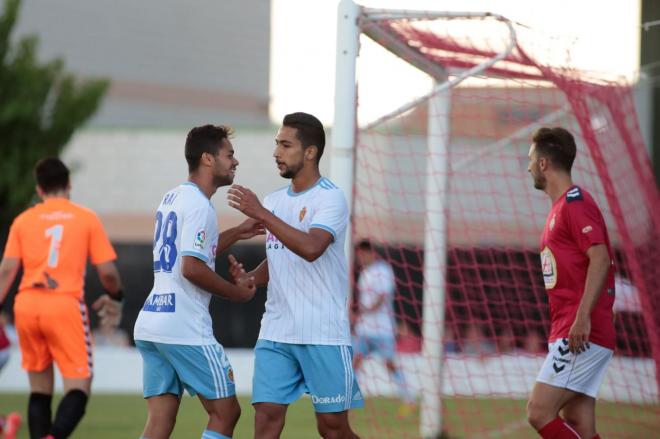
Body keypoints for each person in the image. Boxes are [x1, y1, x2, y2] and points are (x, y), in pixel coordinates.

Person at [227, 112, 363, 438]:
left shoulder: (331, 197)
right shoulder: (274, 201)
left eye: (286, 145)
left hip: (323, 333)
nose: (276, 152)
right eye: (277, 144)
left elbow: (312, 248)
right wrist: (251, 279)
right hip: (276, 331)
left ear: (310, 152)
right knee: (266, 420)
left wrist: (260, 213)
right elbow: (278, 260)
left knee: (332, 429)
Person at [133, 124, 262, 439]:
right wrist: (236, 293)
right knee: (226, 412)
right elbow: (191, 267)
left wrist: (238, 232)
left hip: (152, 322)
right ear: (208, 158)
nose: (235, 162)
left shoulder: (173, 196)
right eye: (229, 154)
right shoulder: (201, 206)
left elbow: (190, 251)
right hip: (183, 326)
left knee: (160, 420)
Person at [0, 157, 124, 439]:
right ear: (69, 184)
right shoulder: (85, 218)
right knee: (79, 386)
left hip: (27, 305)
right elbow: (108, 273)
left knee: (39, 389)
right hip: (64, 304)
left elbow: (7, 269)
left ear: (39, 189)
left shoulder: (23, 220)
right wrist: (116, 295)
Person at [525, 127, 615, 439]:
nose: (528, 167)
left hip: (579, 331)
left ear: (544, 164)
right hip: (569, 326)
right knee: (577, 420)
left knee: (538, 411)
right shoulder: (561, 207)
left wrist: (581, 318)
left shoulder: (575, 202)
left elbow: (600, 258)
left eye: (531, 160)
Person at [351, 239, 415, 417]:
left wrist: (361, 312)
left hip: (383, 329)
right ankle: (349, 401)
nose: (360, 258)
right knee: (354, 363)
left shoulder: (383, 270)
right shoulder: (364, 273)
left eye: (362, 255)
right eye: (358, 256)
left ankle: (409, 399)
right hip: (365, 329)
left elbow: (380, 300)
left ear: (371, 253)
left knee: (390, 364)